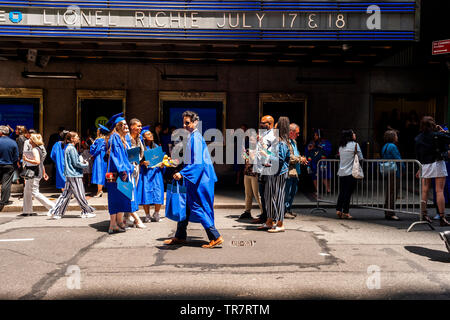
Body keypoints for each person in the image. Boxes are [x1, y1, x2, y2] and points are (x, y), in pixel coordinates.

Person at [164, 110, 224, 248]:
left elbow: (197, 162)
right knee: (186, 206)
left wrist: (183, 173)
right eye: (183, 123)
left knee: (197, 205)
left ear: (195, 122)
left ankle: (215, 236)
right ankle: (180, 236)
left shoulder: (196, 138)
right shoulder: (193, 137)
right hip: (197, 177)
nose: (184, 125)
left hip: (199, 179)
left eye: (187, 122)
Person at [104, 113, 138, 234]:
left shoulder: (119, 138)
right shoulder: (115, 137)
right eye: (122, 124)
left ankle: (117, 223)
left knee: (119, 198)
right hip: (117, 173)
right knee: (115, 199)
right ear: (117, 126)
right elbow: (117, 156)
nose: (125, 126)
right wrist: (123, 170)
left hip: (120, 172)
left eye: (125, 124)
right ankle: (112, 225)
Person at [49, 132, 96, 219]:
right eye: (77, 137)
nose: (78, 138)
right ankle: (86, 211)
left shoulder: (69, 148)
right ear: (72, 139)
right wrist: (85, 164)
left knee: (66, 195)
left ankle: (57, 212)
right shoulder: (71, 149)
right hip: (74, 174)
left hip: (70, 174)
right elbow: (76, 163)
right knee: (80, 194)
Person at [414, 116, 450, 227]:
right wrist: (443, 131)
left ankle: (424, 214)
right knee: (439, 191)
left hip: (425, 165)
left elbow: (418, 154)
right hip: (437, 163)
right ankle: (442, 217)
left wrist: (419, 168)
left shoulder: (418, 138)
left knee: (424, 191)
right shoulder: (437, 135)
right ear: (433, 125)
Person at [257, 117, 291, 233]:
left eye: (276, 126)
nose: (274, 128)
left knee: (278, 198)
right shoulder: (279, 141)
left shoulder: (282, 142)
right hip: (272, 172)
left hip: (278, 173)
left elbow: (279, 159)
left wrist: (266, 154)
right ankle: (269, 221)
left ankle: (280, 223)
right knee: (268, 197)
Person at [252, 115, 277, 224]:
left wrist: (265, 154)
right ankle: (264, 216)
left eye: (263, 123)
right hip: (260, 169)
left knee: (268, 195)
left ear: (270, 124)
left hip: (268, 169)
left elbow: (273, 153)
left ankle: (270, 218)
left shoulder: (273, 136)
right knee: (262, 194)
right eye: (261, 122)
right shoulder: (263, 134)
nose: (261, 124)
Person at [21, 133, 55, 216]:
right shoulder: (39, 149)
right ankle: (27, 211)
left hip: (34, 173)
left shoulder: (35, 150)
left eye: (30, 139)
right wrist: (44, 172)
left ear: (33, 141)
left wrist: (26, 159)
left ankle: (53, 207)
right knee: (27, 191)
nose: (29, 140)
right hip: (35, 172)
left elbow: (37, 162)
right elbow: (41, 163)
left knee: (34, 192)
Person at [138, 127, 165, 223]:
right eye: (148, 134)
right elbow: (135, 161)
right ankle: (147, 215)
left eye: (151, 134)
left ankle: (156, 213)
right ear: (143, 137)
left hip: (156, 173)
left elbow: (162, 160)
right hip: (146, 174)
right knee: (146, 193)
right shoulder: (140, 148)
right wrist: (142, 163)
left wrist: (163, 165)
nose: (151, 135)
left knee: (158, 192)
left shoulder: (156, 147)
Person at [336, 129, 363, 219]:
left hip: (341, 172)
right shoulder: (355, 145)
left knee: (342, 191)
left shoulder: (341, 146)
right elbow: (360, 157)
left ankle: (338, 209)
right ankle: (346, 212)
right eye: (353, 133)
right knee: (348, 193)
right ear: (350, 136)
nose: (355, 134)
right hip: (351, 172)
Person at [124, 118, 146, 229]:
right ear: (132, 126)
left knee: (133, 191)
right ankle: (133, 218)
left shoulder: (139, 138)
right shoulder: (126, 138)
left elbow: (141, 152)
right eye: (138, 126)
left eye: (141, 126)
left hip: (136, 167)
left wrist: (141, 161)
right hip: (128, 168)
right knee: (129, 192)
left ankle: (127, 216)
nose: (140, 128)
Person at [285, 123, 308, 219]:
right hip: (289, 171)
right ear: (291, 132)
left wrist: (301, 158)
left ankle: (289, 209)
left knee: (293, 191)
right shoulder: (285, 142)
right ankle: (284, 210)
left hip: (296, 171)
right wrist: (300, 159)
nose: (298, 135)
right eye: (297, 133)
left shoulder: (294, 141)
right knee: (287, 192)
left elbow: (296, 153)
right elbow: (288, 157)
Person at [380, 130, 404, 221]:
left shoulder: (385, 146)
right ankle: (391, 213)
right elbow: (398, 158)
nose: (397, 137)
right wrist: (403, 168)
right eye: (396, 136)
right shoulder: (393, 146)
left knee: (389, 192)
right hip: (394, 171)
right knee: (393, 192)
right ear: (392, 137)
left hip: (388, 171)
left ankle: (387, 211)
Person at [239, 132, 263, 220]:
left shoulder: (260, 149)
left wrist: (248, 156)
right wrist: (244, 154)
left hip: (255, 174)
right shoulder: (249, 149)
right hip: (247, 173)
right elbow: (245, 159)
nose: (251, 141)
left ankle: (263, 212)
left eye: (252, 139)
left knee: (257, 194)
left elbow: (253, 160)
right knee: (248, 193)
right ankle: (247, 211)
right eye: (250, 140)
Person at [305, 130, 332, 195]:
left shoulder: (326, 142)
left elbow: (329, 151)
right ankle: (317, 190)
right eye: (314, 135)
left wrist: (321, 147)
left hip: (323, 162)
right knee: (314, 176)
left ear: (320, 136)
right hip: (314, 163)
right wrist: (309, 149)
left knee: (325, 176)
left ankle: (328, 190)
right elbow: (307, 151)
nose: (314, 136)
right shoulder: (312, 142)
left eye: (316, 135)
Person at [0, 125, 19, 212]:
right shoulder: (13, 142)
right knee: (6, 184)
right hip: (9, 165)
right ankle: (4, 201)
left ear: (1, 132)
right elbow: (16, 156)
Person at [90, 125, 109, 198]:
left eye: (98, 131)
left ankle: (99, 190)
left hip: (99, 157)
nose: (96, 132)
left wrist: (92, 145)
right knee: (102, 172)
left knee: (99, 173)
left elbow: (95, 150)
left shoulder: (99, 140)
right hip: (104, 157)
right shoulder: (105, 139)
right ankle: (100, 190)